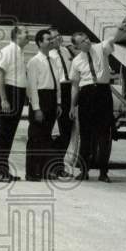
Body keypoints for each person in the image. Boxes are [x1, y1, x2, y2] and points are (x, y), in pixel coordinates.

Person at [69, 32, 115, 182]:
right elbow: (75, 86)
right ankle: (84, 171)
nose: (87, 42)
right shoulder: (76, 62)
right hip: (86, 96)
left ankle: (103, 172)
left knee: (104, 135)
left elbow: (112, 39)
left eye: (87, 39)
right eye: (83, 41)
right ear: (77, 46)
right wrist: (72, 106)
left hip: (103, 94)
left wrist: (121, 27)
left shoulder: (101, 48)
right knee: (86, 135)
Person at [0, 26, 30, 181]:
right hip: (9, 92)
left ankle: (3, 170)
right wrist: (4, 99)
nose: (28, 34)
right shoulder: (7, 51)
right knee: (2, 134)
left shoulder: (20, 52)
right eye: (25, 32)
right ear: (16, 36)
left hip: (18, 93)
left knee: (9, 135)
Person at [25, 29, 61, 181]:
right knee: (35, 137)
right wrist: (36, 108)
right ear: (40, 42)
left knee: (46, 137)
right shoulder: (34, 61)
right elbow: (32, 87)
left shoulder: (53, 60)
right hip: (40, 99)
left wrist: (58, 103)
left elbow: (57, 83)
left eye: (52, 39)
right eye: (48, 39)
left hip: (52, 99)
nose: (51, 41)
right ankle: (32, 172)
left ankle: (44, 171)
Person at [47, 28, 75, 176]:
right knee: (54, 131)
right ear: (50, 41)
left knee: (67, 130)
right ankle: (50, 166)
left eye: (59, 35)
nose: (59, 38)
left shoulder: (66, 51)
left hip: (69, 90)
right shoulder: (49, 56)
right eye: (55, 37)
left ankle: (59, 166)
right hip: (58, 91)